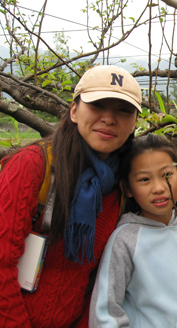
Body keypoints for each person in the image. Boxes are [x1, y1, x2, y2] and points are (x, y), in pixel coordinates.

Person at [0, 65, 142, 327]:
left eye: (123, 110)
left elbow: (96, 280)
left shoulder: (122, 185)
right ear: (74, 111)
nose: (109, 119)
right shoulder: (32, 167)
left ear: (135, 122)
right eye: (98, 104)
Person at [89, 133, 177, 327]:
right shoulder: (125, 239)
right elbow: (105, 311)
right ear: (127, 188)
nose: (159, 188)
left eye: (166, 175)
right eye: (144, 179)